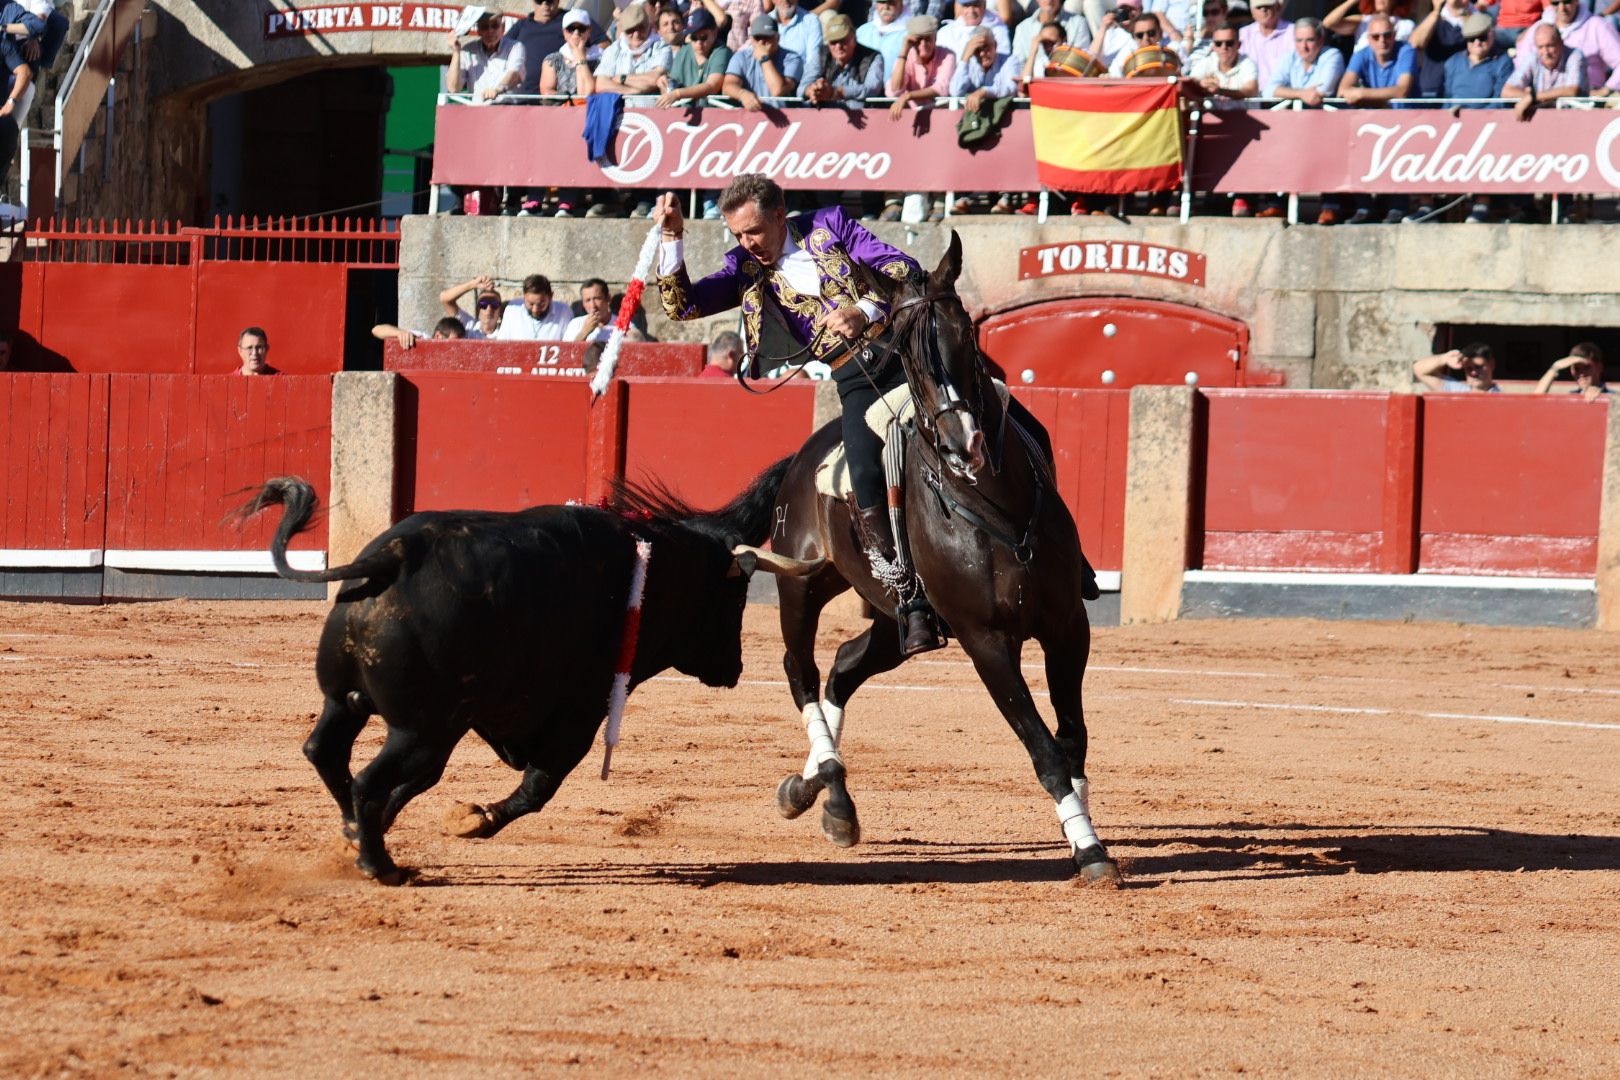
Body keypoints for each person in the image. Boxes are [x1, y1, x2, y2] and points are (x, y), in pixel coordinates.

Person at [651, 174, 943, 654]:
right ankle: (910, 600)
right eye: (738, 236)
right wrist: (671, 237)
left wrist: (865, 310)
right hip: (855, 378)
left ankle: (1061, 550)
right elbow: (681, 307)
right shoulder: (746, 269)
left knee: (997, 413)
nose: (747, 245)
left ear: (779, 215)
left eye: (754, 232)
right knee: (866, 471)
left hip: (910, 354)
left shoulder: (830, 225)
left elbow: (905, 269)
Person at [1440, 13, 1514, 223]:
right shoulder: (1453, 62)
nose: (1477, 43)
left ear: (1491, 36)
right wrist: (1450, 112)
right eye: (1472, 39)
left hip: (1489, 127)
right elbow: (1447, 96)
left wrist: (1473, 115)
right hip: (1455, 126)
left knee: (1488, 146)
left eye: (1482, 37)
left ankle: (1482, 202)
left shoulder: (1503, 62)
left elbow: (1501, 100)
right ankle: (1431, 204)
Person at [1515, 0, 1620, 97]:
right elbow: (1521, 65)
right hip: (1542, 103)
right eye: (1555, 3)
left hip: (1587, 102)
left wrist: (1608, 89)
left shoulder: (1598, 26)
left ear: (1576, 1)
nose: (1562, 8)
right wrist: (1529, 94)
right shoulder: (1538, 30)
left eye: (1567, 1)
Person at [1504, 22, 1588, 123]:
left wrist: (1533, 97)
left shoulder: (1575, 55)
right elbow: (1506, 91)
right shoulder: (1532, 58)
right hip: (1542, 119)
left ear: (1561, 43)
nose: (1546, 52)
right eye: (1540, 47)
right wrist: (1529, 98)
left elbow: (1572, 90)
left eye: (1550, 46)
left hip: (1575, 119)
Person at [723, 12, 804, 109]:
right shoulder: (741, 57)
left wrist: (765, 59)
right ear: (752, 40)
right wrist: (742, 94)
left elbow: (778, 91)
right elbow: (728, 86)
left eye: (767, 37)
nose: (761, 42)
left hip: (785, 118)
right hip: (751, 117)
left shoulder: (792, 59)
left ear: (777, 38)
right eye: (757, 38)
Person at [446, 11, 527, 104]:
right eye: (485, 27)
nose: (490, 31)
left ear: (503, 28)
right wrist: (456, 52)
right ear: (478, 31)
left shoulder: (515, 47)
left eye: (495, 26)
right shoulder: (468, 50)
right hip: (479, 111)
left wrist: (497, 90)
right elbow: (453, 88)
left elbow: (514, 74)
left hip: (507, 109)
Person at [887, 15, 957, 121]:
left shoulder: (948, 55)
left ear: (935, 38)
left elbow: (941, 88)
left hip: (941, 118)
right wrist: (904, 52)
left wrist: (908, 96)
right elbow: (895, 90)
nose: (923, 44)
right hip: (909, 118)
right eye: (918, 40)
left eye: (928, 39)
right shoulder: (905, 57)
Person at [658, 8, 734, 105]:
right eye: (694, 38)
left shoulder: (722, 51)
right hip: (684, 115)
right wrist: (664, 83)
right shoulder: (684, 51)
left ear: (714, 32)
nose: (699, 43)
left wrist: (678, 94)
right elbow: (674, 84)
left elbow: (712, 86)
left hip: (715, 116)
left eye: (703, 37)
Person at [595, 4, 674, 95]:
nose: (636, 35)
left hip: (651, 108)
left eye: (641, 28)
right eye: (631, 30)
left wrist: (621, 78)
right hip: (621, 108)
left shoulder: (661, 47)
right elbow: (601, 85)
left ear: (648, 26)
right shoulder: (613, 49)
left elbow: (654, 79)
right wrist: (634, 91)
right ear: (624, 31)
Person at [1188, 23, 1258, 108]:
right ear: (1213, 46)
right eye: (1218, 43)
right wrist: (1201, 84)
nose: (1224, 47)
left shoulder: (1247, 63)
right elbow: (1190, 83)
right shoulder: (1207, 62)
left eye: (1229, 43)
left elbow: (1250, 90)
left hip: (1244, 118)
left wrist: (1220, 91)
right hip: (1213, 118)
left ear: (1238, 45)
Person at [1238, 0, 1294, 102]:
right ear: (1252, 11)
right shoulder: (1243, 34)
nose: (1263, 10)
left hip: (1286, 100)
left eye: (1268, 6)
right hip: (1251, 99)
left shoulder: (1293, 31)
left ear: (1277, 8)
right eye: (1259, 7)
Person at [1011, 0, 1092, 69]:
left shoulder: (1078, 23)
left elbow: (1080, 63)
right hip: (1032, 84)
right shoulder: (1022, 28)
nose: (1049, 0)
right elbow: (1018, 67)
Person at [493, 274, 574, 340]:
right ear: (524, 297)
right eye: (531, 304)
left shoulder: (564, 311)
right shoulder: (512, 310)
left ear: (550, 297)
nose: (535, 310)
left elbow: (568, 345)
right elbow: (502, 343)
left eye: (541, 304)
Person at [566, 277, 645, 343]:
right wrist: (584, 332)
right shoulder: (575, 324)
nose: (593, 306)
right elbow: (566, 355)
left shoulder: (625, 325)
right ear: (583, 304)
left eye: (597, 298)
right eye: (587, 300)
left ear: (608, 298)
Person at [1534, 342, 1611, 399]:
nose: (1581, 374)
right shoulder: (1571, 397)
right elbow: (1535, 400)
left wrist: (1601, 395)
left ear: (1599, 367)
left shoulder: (1614, 396)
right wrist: (1554, 368)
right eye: (1576, 369)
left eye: (1586, 367)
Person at [1413, 344, 1501, 393]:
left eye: (1478, 367)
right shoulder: (1456, 390)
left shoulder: (1500, 397)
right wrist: (1445, 358)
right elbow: (1418, 369)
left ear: (1492, 364)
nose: (1473, 373)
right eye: (1468, 368)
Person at [439, 275, 506, 339]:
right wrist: (473, 284)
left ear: (500, 311)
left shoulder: (505, 333)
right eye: (483, 304)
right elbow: (444, 298)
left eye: (494, 304)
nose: (489, 309)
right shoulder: (468, 325)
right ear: (477, 310)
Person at [938, 0, 1012, 58]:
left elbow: (1001, 62)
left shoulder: (998, 30)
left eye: (976, 5)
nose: (971, 11)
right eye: (966, 6)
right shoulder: (945, 32)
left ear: (984, 5)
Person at [858, 0, 912, 70]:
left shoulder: (912, 35)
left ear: (901, 2)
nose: (886, 7)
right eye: (882, 2)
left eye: (891, 2)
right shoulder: (862, 31)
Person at [371, 318, 468, 350]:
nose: (456, 348)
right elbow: (376, 330)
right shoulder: (420, 339)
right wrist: (400, 333)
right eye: (453, 342)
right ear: (438, 336)